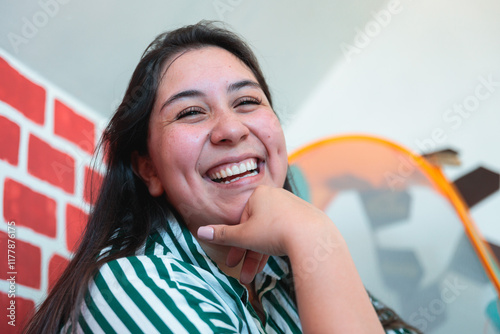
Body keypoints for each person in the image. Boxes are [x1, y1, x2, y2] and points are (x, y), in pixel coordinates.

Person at [24, 21, 421, 333]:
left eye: (247, 102)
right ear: (149, 169)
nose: (230, 129)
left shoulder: (295, 272)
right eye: (191, 112)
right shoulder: (129, 286)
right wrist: (316, 233)